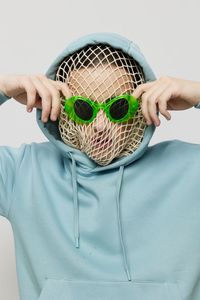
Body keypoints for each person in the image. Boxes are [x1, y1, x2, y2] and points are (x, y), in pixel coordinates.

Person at [0, 32, 200, 300]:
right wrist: (3, 87)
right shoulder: (23, 173)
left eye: (117, 108)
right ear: (64, 107)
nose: (100, 126)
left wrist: (198, 93)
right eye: (85, 109)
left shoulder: (188, 170)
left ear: (140, 105)